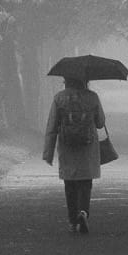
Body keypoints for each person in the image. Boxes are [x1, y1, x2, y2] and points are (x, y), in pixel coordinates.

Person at [43, 75, 106, 233]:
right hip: (88, 146)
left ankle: (72, 220)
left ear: (67, 81)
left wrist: (48, 153)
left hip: (67, 145)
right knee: (85, 182)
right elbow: (100, 123)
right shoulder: (92, 97)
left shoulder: (59, 98)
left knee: (69, 183)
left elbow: (52, 125)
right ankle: (83, 211)